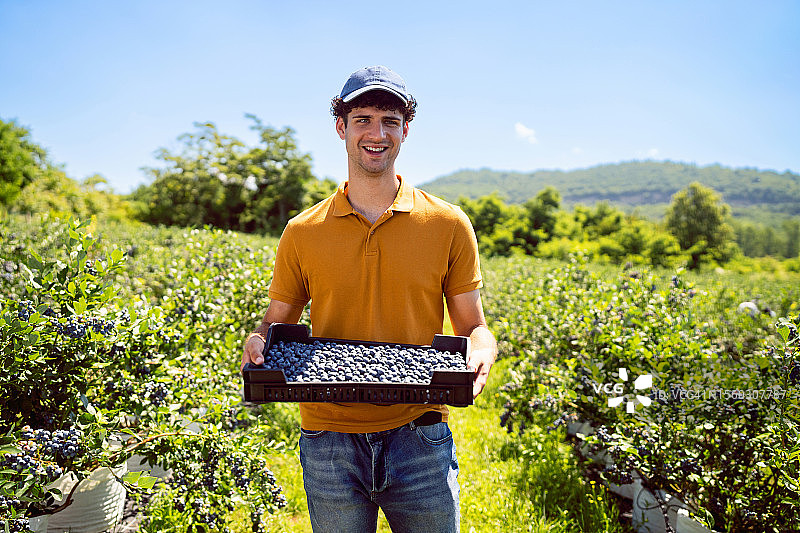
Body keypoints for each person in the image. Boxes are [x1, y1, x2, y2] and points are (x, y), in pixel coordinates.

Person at [241, 65, 497, 533]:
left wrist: (481, 349)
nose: (376, 134)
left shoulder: (448, 223)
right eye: (363, 119)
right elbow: (275, 322)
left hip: (419, 432)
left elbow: (472, 326)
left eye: (389, 121)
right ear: (341, 127)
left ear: (405, 131)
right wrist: (258, 342)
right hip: (328, 435)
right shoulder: (302, 231)